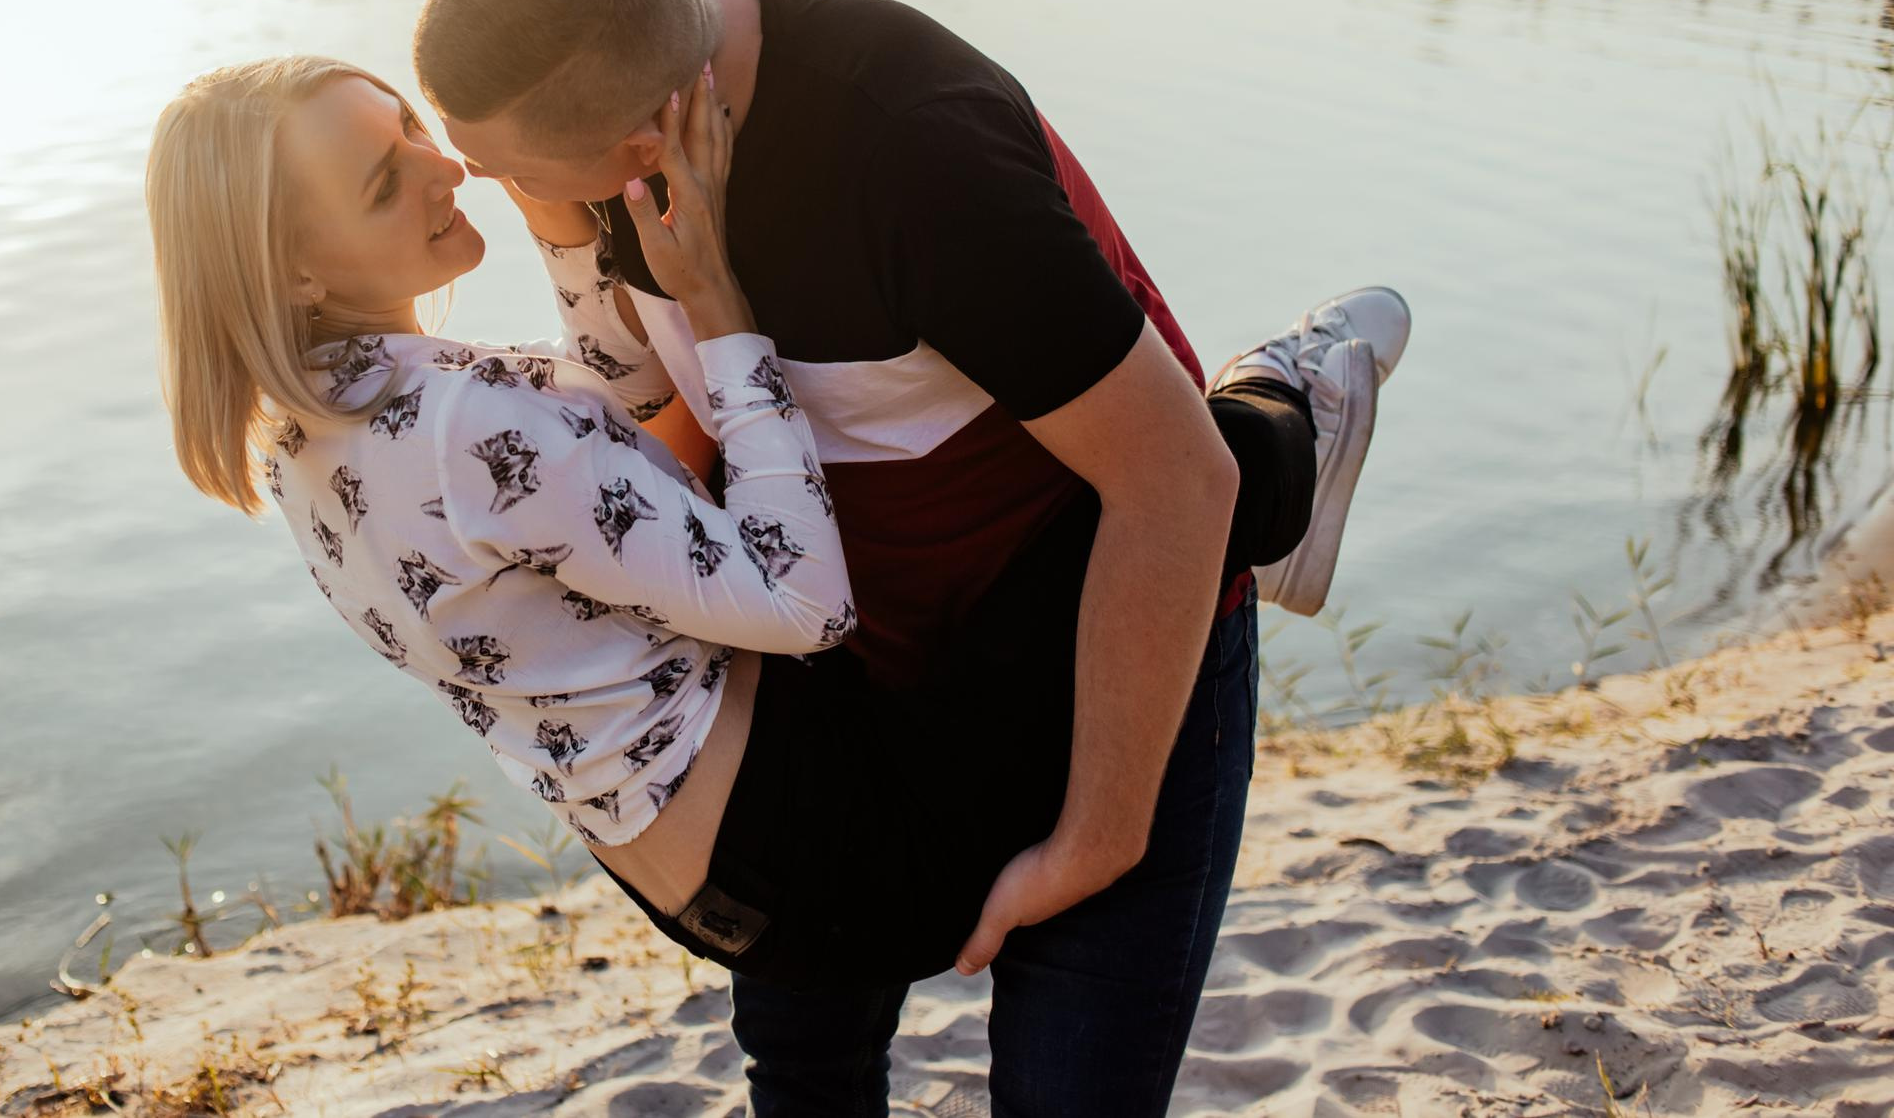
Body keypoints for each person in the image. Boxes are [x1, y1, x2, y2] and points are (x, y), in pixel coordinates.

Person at [142, 54, 1399, 1045]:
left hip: (691, 874)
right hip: (830, 842)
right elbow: (803, 602)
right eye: (385, 180)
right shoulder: (459, 420)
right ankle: (1284, 422)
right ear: (295, 271)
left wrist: (570, 240)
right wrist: (723, 314)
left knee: (809, 1058)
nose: (445, 169)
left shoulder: (307, 434)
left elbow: (606, 447)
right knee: (1097, 526)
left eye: (412, 126)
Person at [408, 0, 1410, 1115]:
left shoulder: (913, 149)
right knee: (806, 1061)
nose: (469, 182)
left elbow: (1171, 486)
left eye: (496, 168)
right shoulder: (624, 113)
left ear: (643, 144)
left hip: (1103, 627)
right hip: (855, 668)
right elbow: (663, 425)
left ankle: (1288, 412)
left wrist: (1091, 841)